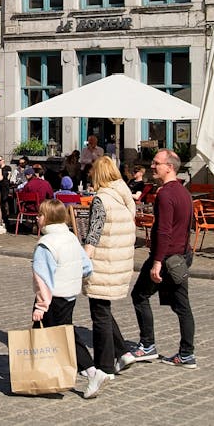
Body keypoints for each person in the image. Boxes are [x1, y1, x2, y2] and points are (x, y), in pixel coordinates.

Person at [126, 149, 196, 368]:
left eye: (157, 163)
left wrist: (157, 262)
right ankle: (187, 354)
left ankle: (147, 345)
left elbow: (164, 230)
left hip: (166, 258)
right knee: (182, 306)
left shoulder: (166, 194)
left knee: (139, 296)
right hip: (180, 256)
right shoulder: (184, 192)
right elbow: (188, 227)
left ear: (170, 167)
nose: (152, 166)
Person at [81, 156, 136, 397]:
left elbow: (94, 232)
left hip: (104, 261)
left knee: (99, 313)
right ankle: (123, 351)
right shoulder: (124, 197)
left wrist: (84, 259)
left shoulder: (102, 199)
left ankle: (104, 366)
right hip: (119, 260)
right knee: (104, 307)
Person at [30, 199, 97, 398]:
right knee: (62, 333)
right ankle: (49, 374)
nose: (37, 217)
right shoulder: (71, 237)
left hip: (52, 297)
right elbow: (87, 266)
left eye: (40, 215)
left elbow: (43, 278)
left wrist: (41, 306)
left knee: (55, 337)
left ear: (48, 219)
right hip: (69, 294)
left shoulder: (46, 244)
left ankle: (90, 370)